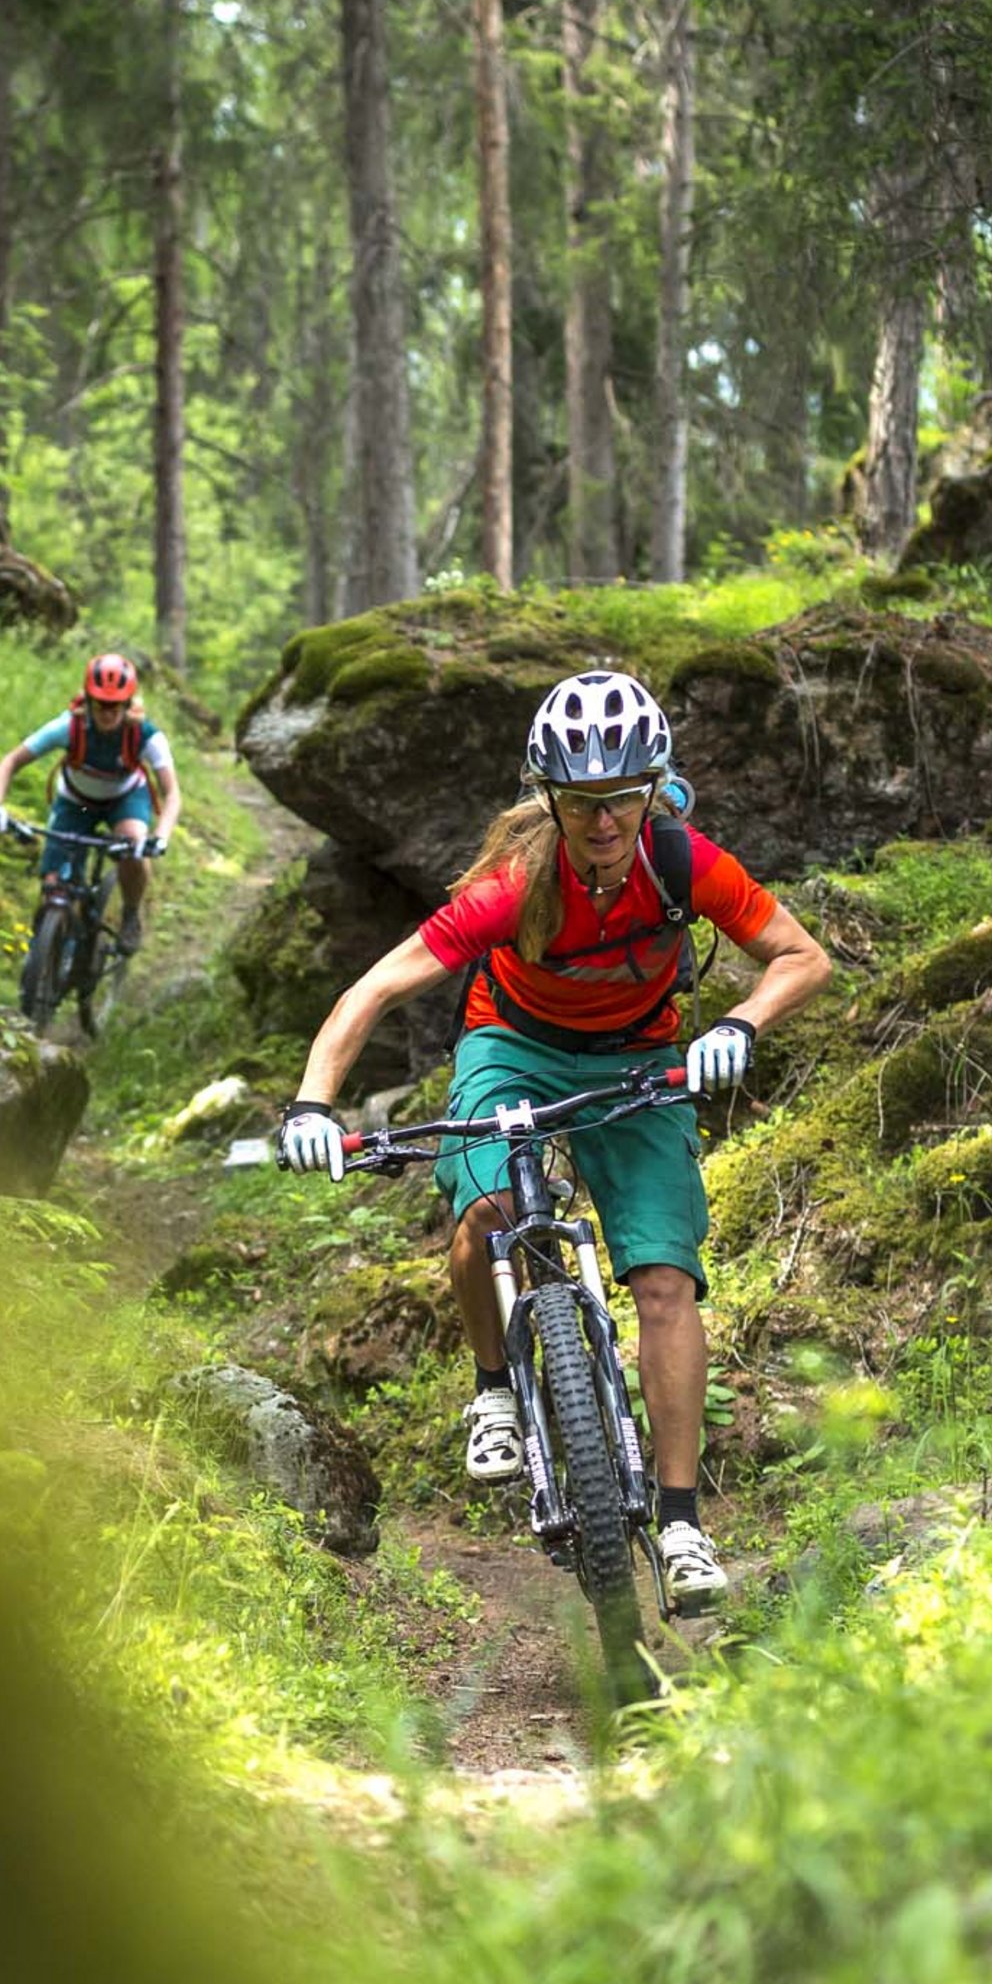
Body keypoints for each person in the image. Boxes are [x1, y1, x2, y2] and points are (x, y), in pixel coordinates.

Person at [277, 669, 831, 1607]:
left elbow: (802, 956)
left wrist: (738, 1027)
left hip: (640, 1060)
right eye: (581, 802)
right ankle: (495, 1385)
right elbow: (373, 988)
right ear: (552, 800)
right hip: (515, 1049)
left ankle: (685, 1522)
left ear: (651, 790)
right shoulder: (514, 885)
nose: (604, 821)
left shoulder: (682, 861)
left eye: (620, 799)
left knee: (663, 1278)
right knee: (488, 1209)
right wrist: (311, 1106)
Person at [0, 652, 181, 954]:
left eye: (115, 706)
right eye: (101, 704)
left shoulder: (147, 736)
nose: (107, 713)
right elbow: (10, 762)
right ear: (88, 700)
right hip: (77, 802)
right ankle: (42, 966)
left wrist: (161, 837)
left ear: (128, 705)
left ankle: (130, 915)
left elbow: (172, 793)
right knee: (53, 885)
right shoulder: (67, 727)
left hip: (125, 799)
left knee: (133, 847)